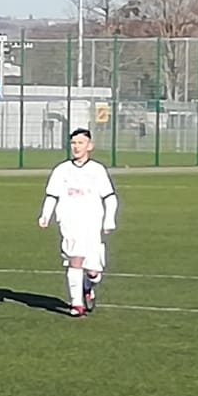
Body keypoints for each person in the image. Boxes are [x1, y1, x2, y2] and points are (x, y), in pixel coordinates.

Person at [38, 129, 119, 316]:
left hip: (92, 224)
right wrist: (45, 215)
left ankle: (88, 286)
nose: (76, 147)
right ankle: (77, 304)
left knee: (93, 271)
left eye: (80, 143)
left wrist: (109, 220)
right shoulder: (61, 170)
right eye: (74, 143)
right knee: (75, 261)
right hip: (69, 222)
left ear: (89, 146)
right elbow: (52, 195)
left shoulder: (97, 170)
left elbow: (110, 197)